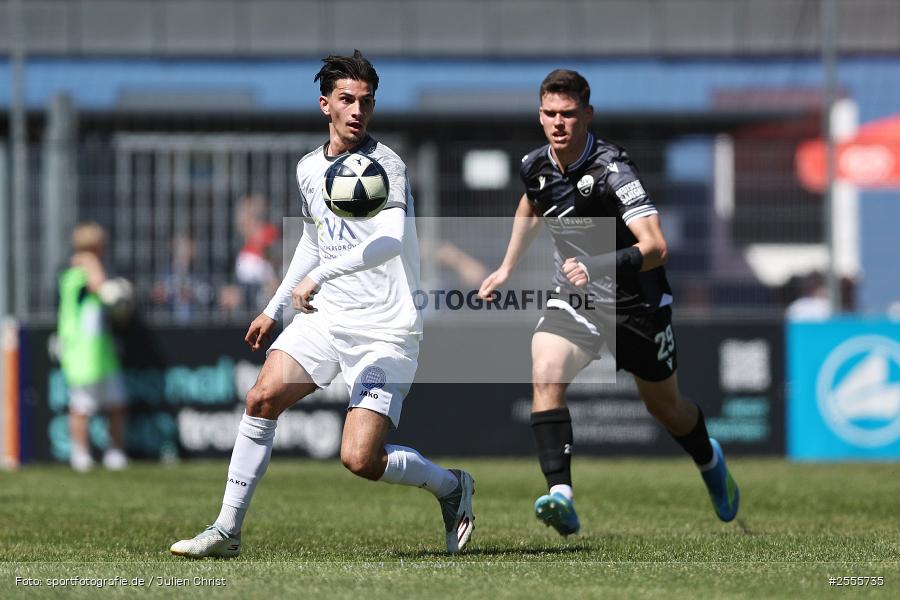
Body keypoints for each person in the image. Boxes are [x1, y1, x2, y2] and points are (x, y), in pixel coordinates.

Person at [170, 50, 475, 558]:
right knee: (261, 398)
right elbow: (313, 242)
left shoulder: (386, 166)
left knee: (360, 458)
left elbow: (390, 241)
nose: (358, 111)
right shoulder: (309, 168)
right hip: (328, 318)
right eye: (347, 100)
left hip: (386, 330)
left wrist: (322, 275)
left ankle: (450, 487)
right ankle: (226, 531)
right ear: (325, 105)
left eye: (367, 102)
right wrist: (274, 307)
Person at [478, 69, 739, 535]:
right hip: (577, 298)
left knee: (668, 409)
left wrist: (597, 264)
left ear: (588, 115)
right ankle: (561, 495)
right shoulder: (535, 164)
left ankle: (709, 459)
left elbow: (656, 245)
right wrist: (507, 266)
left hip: (637, 305)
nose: (559, 123)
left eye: (569, 114)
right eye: (551, 114)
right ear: (540, 115)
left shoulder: (613, 170)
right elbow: (531, 203)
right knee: (545, 370)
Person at [57, 222, 128, 472]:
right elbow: (102, 288)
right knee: (80, 407)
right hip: (82, 355)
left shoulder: (83, 272)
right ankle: (80, 454)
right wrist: (91, 263)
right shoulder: (76, 275)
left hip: (102, 353)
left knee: (117, 404)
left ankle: (115, 452)